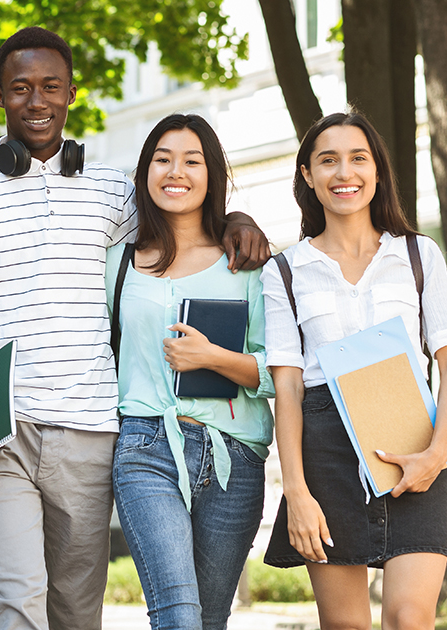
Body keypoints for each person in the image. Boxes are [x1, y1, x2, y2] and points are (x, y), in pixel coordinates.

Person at [0, 27, 270, 630]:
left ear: (72, 95)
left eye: (50, 87)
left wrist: (237, 218)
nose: (36, 101)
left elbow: (183, 210)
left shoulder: (115, 193)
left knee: (76, 612)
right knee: (17, 602)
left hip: (90, 428)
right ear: (0, 96)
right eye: (21, 88)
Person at [260, 111, 447, 630]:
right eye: (326, 160)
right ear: (307, 175)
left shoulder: (419, 255)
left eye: (358, 158)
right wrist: (296, 492)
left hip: (414, 447)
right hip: (325, 452)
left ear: (377, 171)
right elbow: (286, 389)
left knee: (408, 618)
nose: (343, 173)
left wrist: (436, 454)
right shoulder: (284, 271)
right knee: (346, 626)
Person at [105, 114, 274, 630]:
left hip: (235, 458)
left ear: (211, 174)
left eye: (192, 161)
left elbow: (281, 374)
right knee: (177, 614)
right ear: (145, 172)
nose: (175, 171)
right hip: (145, 446)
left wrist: (214, 359)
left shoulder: (247, 263)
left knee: (210, 619)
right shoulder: (116, 260)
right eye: (163, 159)